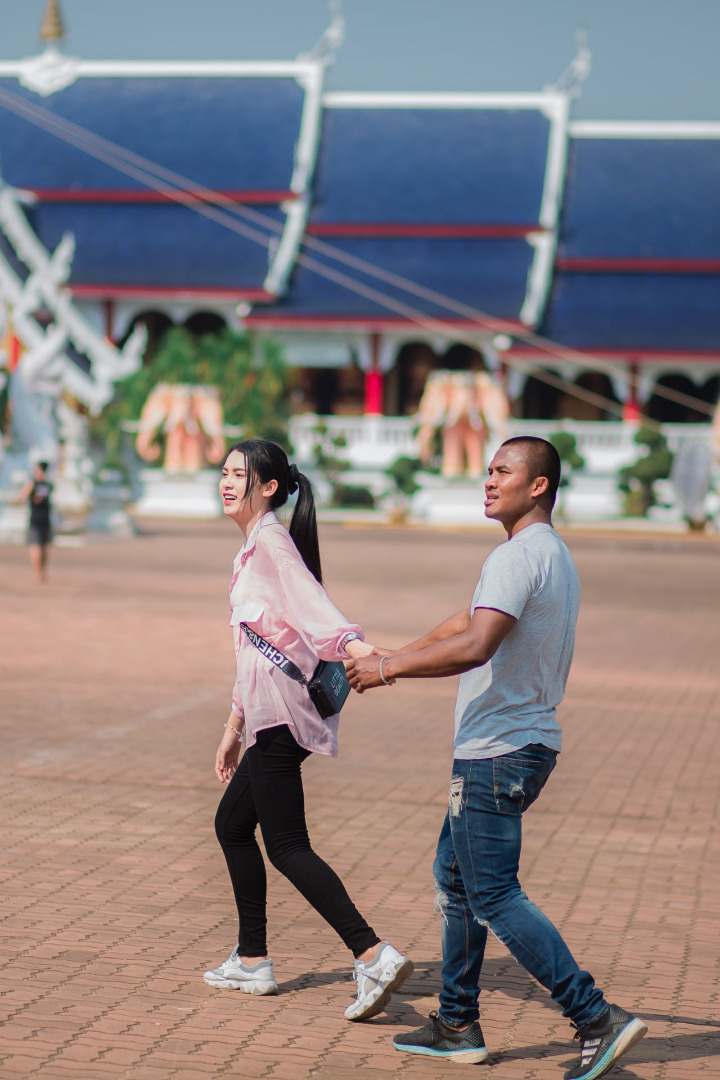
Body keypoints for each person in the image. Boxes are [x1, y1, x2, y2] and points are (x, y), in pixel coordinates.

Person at [347, 436, 647, 1079]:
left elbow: (477, 644)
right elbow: (468, 621)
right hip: (520, 746)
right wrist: (392, 655)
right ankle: (458, 1023)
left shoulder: (516, 556)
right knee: (456, 879)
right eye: (487, 470)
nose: (488, 480)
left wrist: (388, 669)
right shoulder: (547, 554)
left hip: (496, 753)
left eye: (502, 471)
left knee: (492, 894)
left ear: (538, 486)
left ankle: (596, 1017)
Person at [205, 437, 413, 1021]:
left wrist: (364, 652)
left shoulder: (272, 541)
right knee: (232, 825)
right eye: (224, 472)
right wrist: (233, 725)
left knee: (288, 846)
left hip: (283, 714)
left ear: (269, 487)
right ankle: (252, 959)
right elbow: (256, 645)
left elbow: (313, 607)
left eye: (239, 474)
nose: (226, 483)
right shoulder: (253, 546)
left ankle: (371, 954)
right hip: (266, 714)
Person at [15, 460, 54, 583]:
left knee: (35, 547)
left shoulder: (33, 484)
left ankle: (37, 573)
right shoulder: (49, 485)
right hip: (46, 519)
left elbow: (22, 497)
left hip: (35, 519)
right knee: (45, 547)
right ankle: (43, 572)